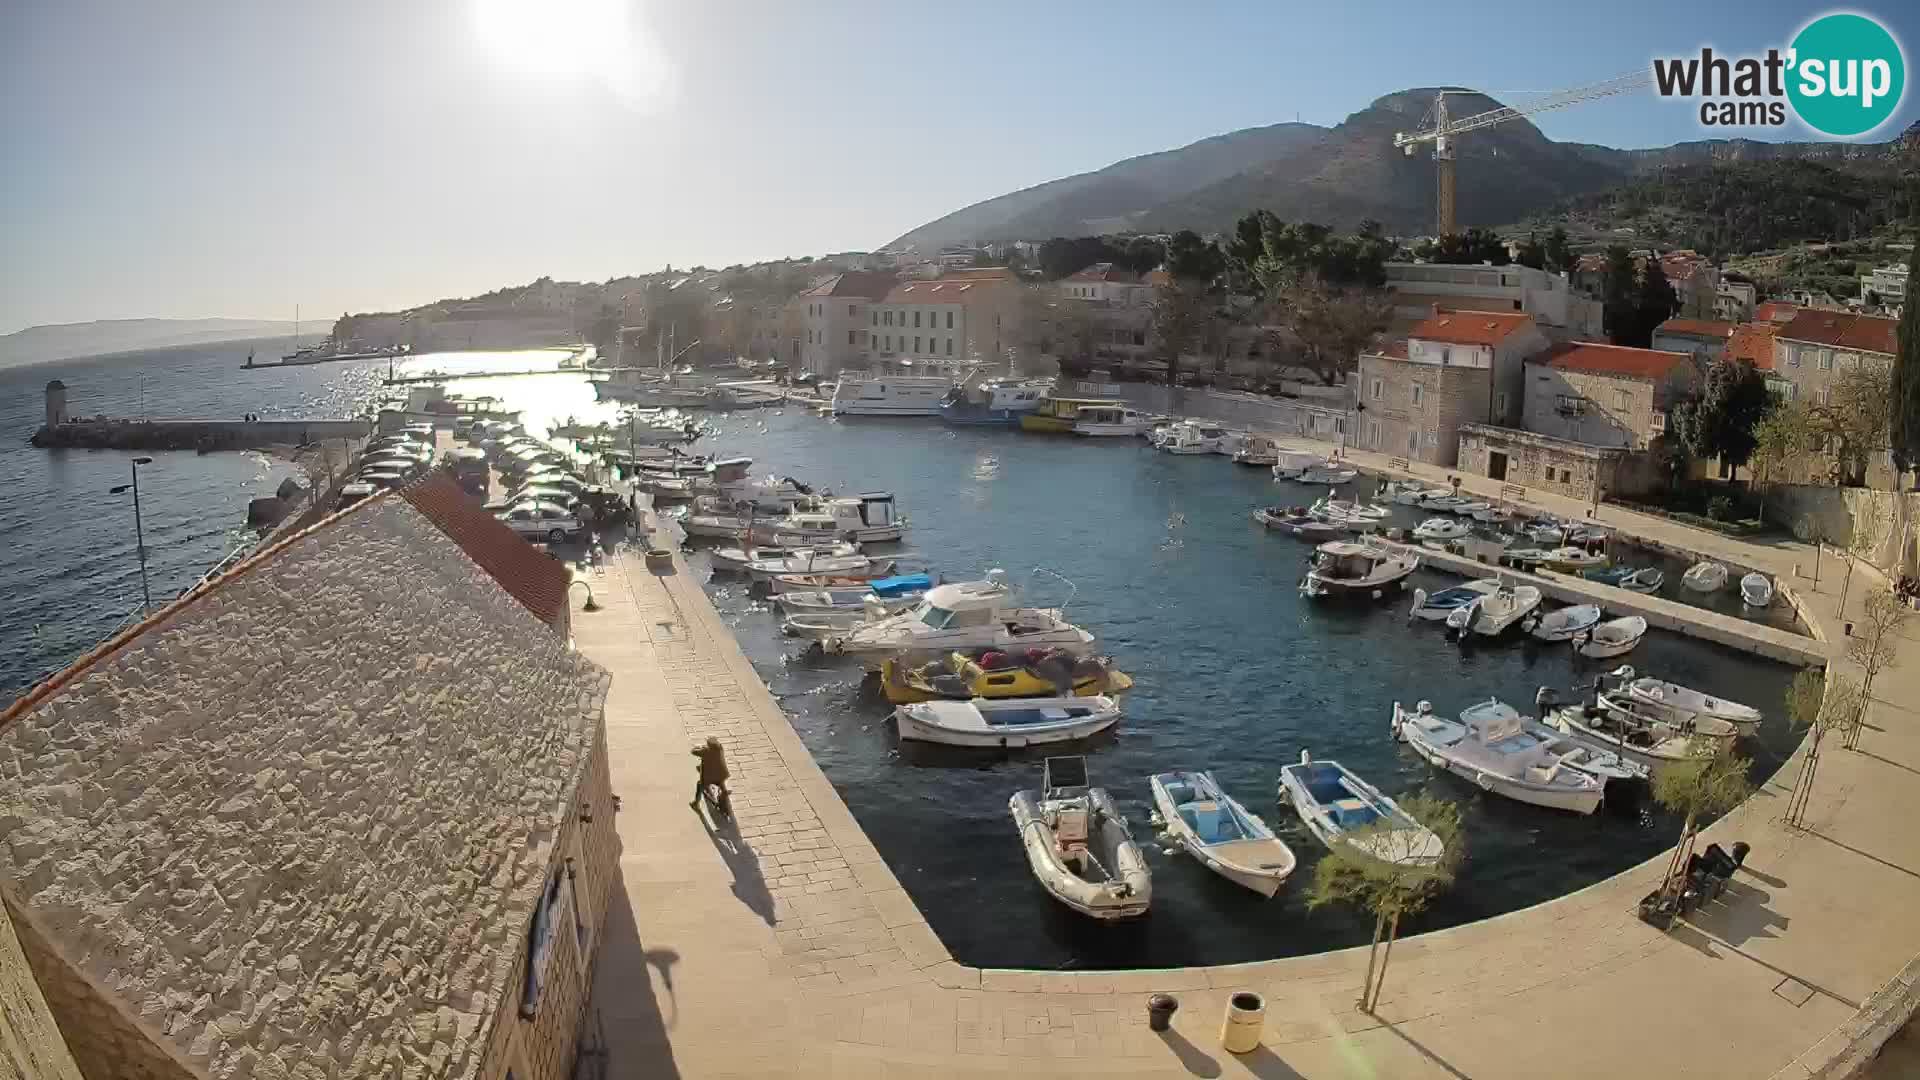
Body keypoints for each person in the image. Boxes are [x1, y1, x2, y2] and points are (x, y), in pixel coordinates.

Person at [691, 736, 729, 808]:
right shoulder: (720, 748)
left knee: (699, 784)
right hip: (723, 773)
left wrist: (698, 747)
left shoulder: (706, 751)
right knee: (721, 782)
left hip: (710, 777)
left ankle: (696, 803)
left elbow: (693, 752)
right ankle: (724, 790)